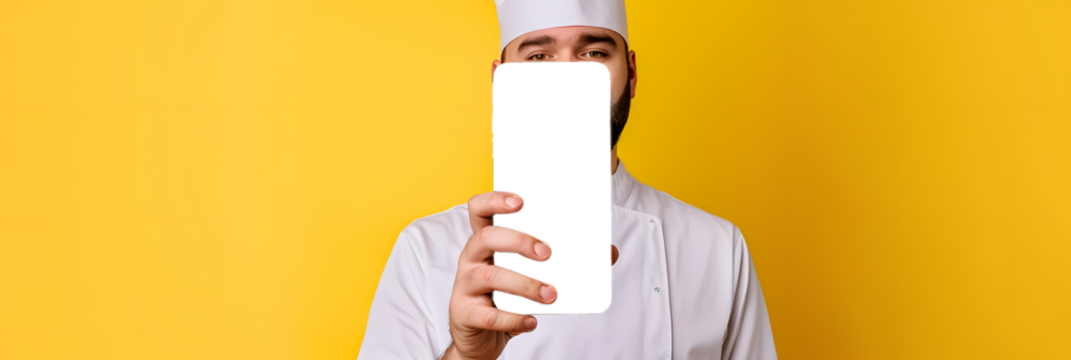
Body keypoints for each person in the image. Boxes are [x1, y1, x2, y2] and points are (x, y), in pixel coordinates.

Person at [357, 0, 777, 359]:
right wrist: (466, 355)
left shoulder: (718, 249)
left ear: (631, 75)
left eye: (594, 54)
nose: (569, 80)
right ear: (500, 83)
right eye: (539, 58)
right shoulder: (424, 250)